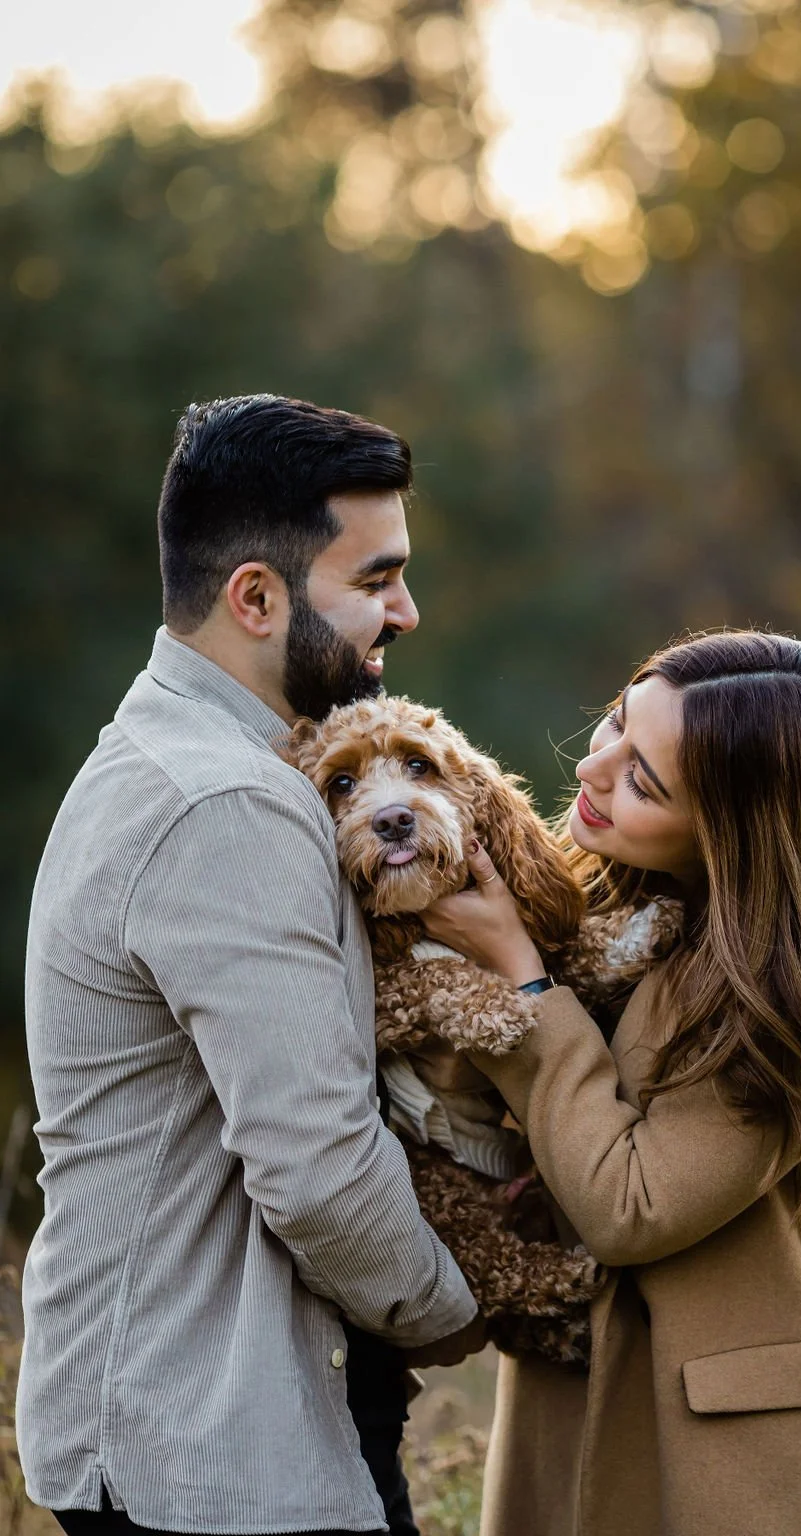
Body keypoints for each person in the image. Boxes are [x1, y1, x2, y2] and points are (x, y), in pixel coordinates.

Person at [18, 394, 485, 1536]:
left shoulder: (171, 755)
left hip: (180, 1429)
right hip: (210, 1452)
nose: (405, 612)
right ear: (257, 597)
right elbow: (316, 1162)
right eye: (375, 581)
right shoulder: (228, 802)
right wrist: (459, 1310)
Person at [422, 629, 801, 1536]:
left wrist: (522, 980)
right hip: (575, 1404)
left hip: (735, 1451)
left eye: (645, 781)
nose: (596, 768)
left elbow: (632, 1205)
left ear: (734, 829)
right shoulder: (625, 907)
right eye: (615, 721)